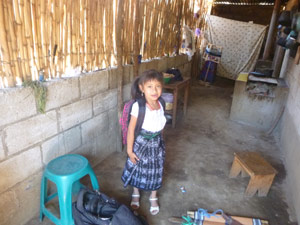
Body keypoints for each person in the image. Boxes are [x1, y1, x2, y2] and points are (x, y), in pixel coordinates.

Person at [121, 69, 167, 216]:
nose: (154, 90)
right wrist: (129, 150)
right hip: (141, 143)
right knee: (138, 168)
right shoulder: (139, 106)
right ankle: (136, 192)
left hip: (156, 143)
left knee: (156, 170)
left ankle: (153, 196)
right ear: (141, 88)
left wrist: (160, 142)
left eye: (158, 86)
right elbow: (130, 130)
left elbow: (160, 125)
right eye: (149, 86)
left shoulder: (161, 103)